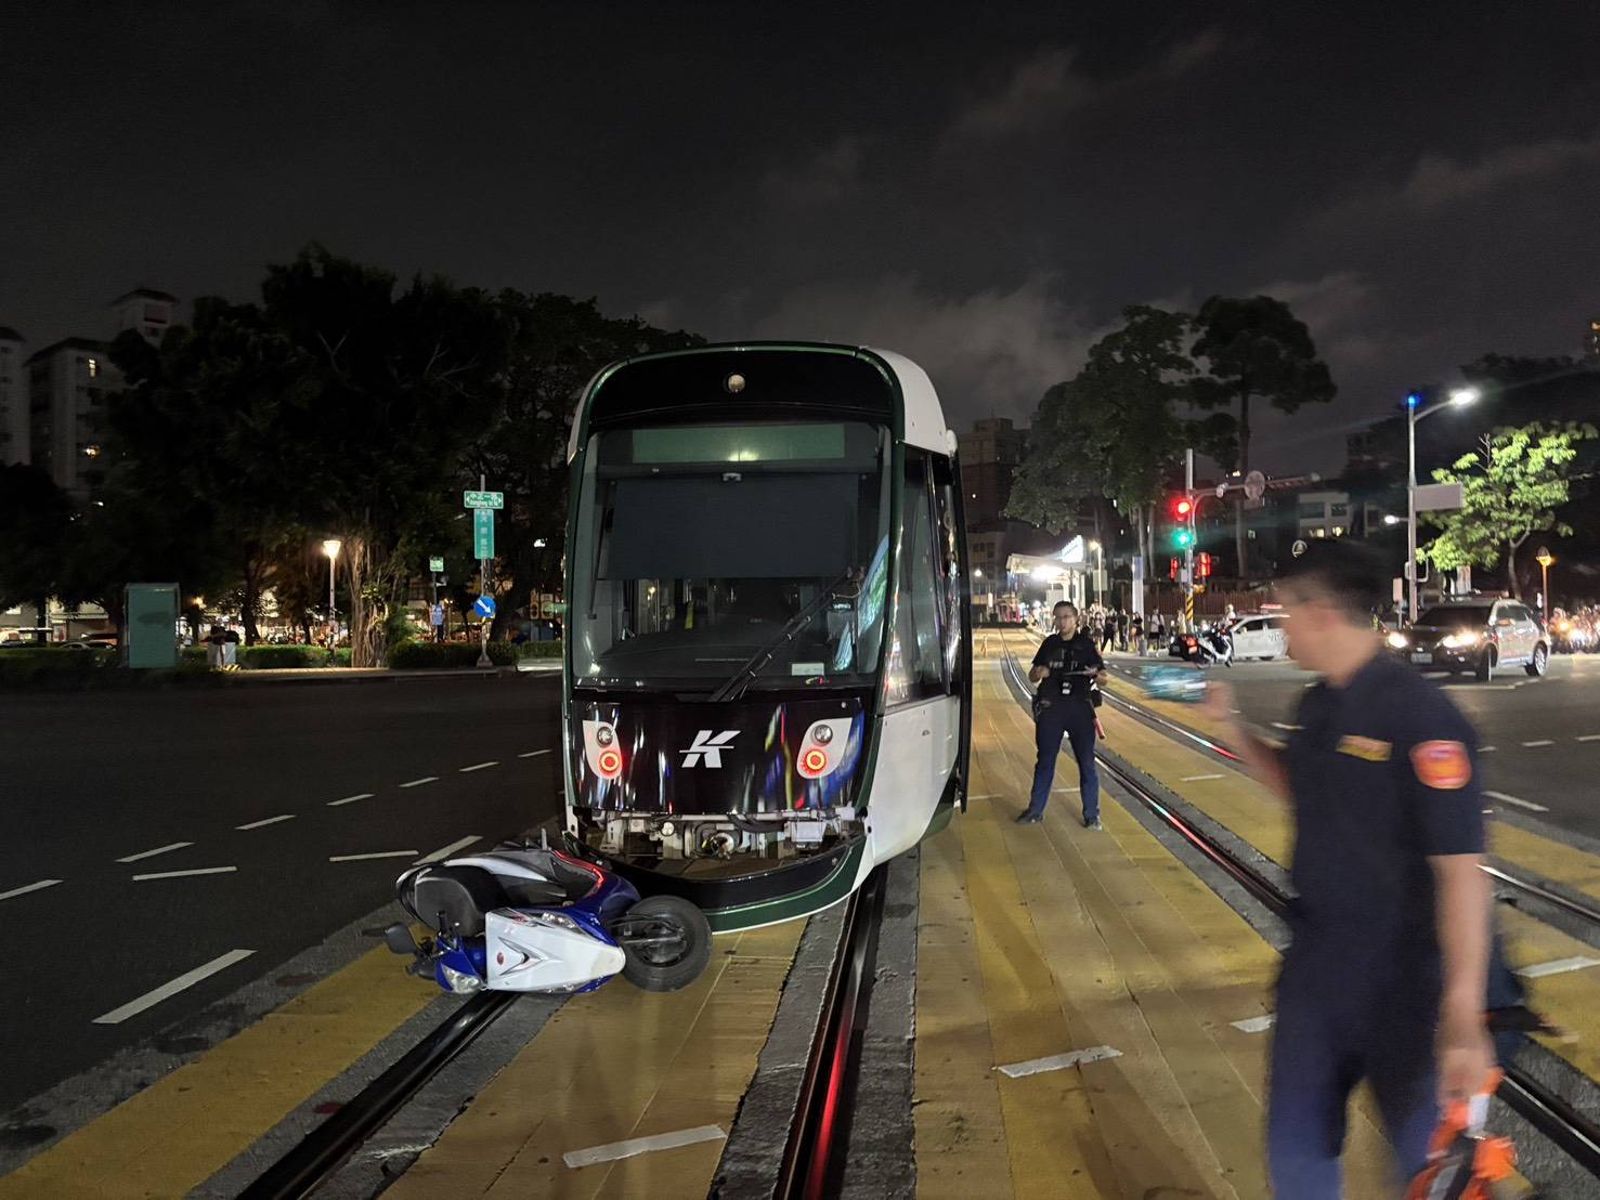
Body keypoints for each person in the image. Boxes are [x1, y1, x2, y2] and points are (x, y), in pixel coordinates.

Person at [1203, 539, 1493, 1197]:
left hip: (1406, 985)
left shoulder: (1422, 715)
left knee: (1430, 1171)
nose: (1280, 629)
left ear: (1323, 613)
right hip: (1319, 970)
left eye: (1285, 613)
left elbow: (1461, 873)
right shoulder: (1319, 705)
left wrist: (1463, 1012)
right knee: (1297, 1154)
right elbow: (1301, 787)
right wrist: (1236, 734)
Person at [1018, 601, 1108, 828]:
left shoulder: (1086, 645)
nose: (1062, 621)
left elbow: (1104, 677)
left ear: (1076, 619)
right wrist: (1040, 671)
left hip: (1080, 709)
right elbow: (1032, 676)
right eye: (1058, 617)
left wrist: (1096, 675)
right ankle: (1035, 810)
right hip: (1052, 710)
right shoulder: (1049, 644)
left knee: (1087, 762)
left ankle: (1092, 815)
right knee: (1045, 760)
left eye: (1066, 616)